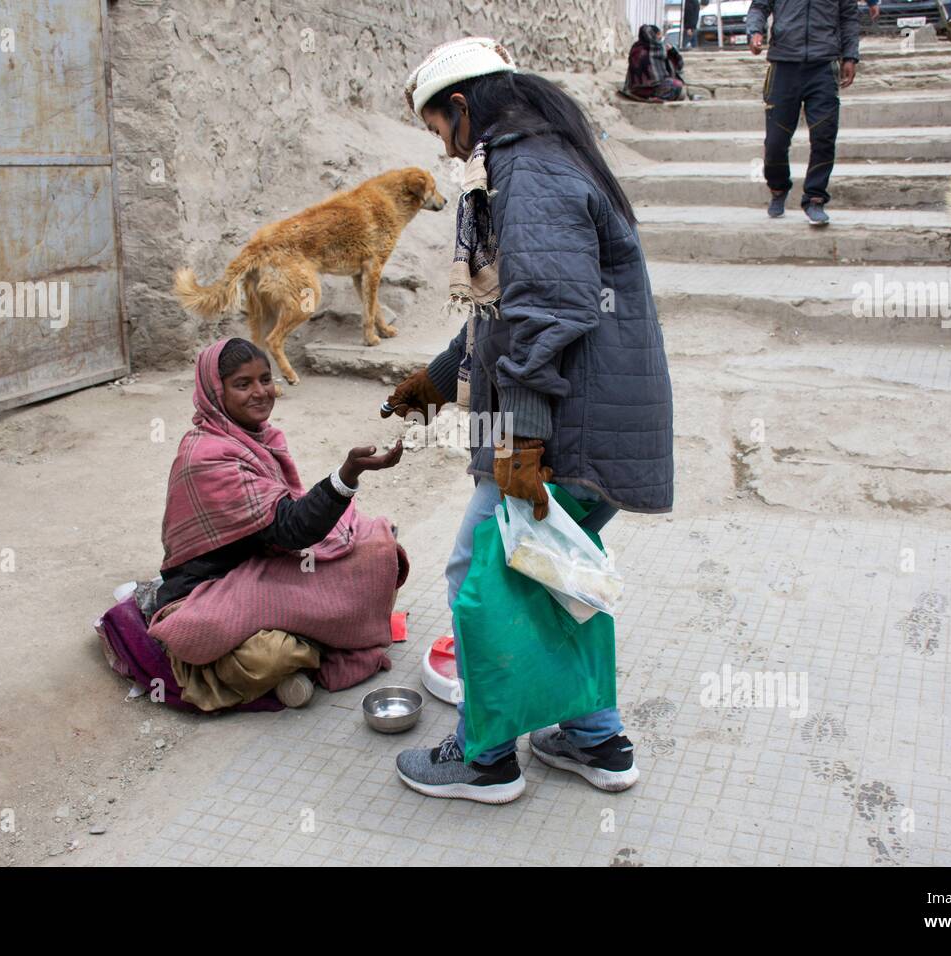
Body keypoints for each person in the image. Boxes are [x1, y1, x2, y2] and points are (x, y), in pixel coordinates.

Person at [389, 37, 675, 804]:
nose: (442, 147)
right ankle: (595, 739)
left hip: (564, 430)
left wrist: (519, 445)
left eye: (437, 128)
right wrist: (438, 380)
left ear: (461, 107)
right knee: (550, 572)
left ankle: (483, 758)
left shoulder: (529, 168)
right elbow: (505, 310)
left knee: (479, 578)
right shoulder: (536, 159)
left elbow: (549, 311)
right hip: (585, 419)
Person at [147, 336, 407, 711]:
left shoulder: (258, 439)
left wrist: (343, 482)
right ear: (215, 392)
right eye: (243, 384)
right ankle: (311, 647)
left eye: (265, 380)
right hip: (209, 588)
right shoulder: (206, 457)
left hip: (265, 564)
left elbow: (286, 524)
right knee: (268, 656)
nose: (260, 392)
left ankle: (316, 635)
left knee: (381, 552)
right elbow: (291, 528)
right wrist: (345, 475)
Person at [745, 0, 861, 227]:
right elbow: (759, 6)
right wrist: (755, 31)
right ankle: (778, 187)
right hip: (783, 66)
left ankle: (815, 198)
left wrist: (850, 56)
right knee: (776, 142)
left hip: (823, 66)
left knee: (824, 136)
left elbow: (849, 18)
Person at [622, 24, 686, 102]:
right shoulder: (658, 49)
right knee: (678, 87)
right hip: (649, 89)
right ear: (653, 35)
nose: (660, 38)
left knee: (678, 88)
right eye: (659, 35)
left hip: (633, 89)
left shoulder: (635, 47)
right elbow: (679, 65)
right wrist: (672, 50)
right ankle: (655, 97)